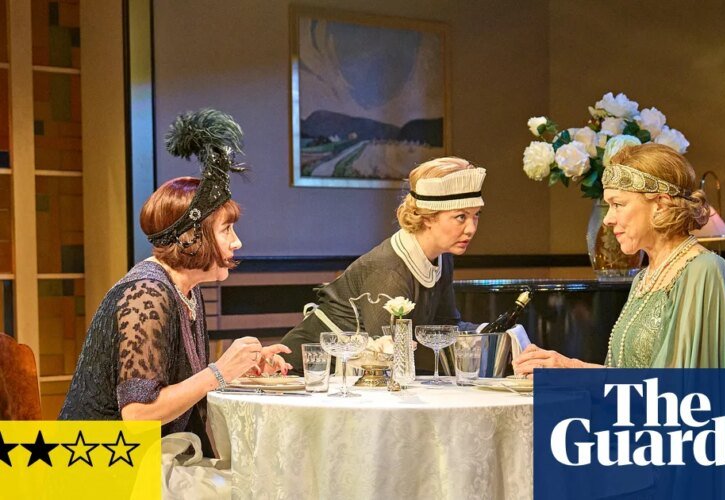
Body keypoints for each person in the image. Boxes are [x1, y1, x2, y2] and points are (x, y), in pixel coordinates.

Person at [59, 109, 290, 456]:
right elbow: (139, 416)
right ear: (191, 237)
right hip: (100, 467)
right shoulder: (146, 294)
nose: (237, 242)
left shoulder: (186, 291)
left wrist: (239, 370)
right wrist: (219, 371)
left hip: (148, 461)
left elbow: (178, 388)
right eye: (226, 230)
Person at [513, 143, 725, 372]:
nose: (608, 219)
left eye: (618, 204)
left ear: (661, 204)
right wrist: (563, 370)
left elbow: (677, 387)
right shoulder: (643, 279)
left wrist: (573, 368)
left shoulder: (704, 269)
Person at [280, 157, 484, 373]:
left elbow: (446, 327)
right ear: (427, 218)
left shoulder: (443, 257)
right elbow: (385, 355)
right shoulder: (389, 270)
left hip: (357, 378)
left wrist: (495, 331)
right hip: (304, 373)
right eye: (460, 217)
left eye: (476, 215)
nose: (471, 228)